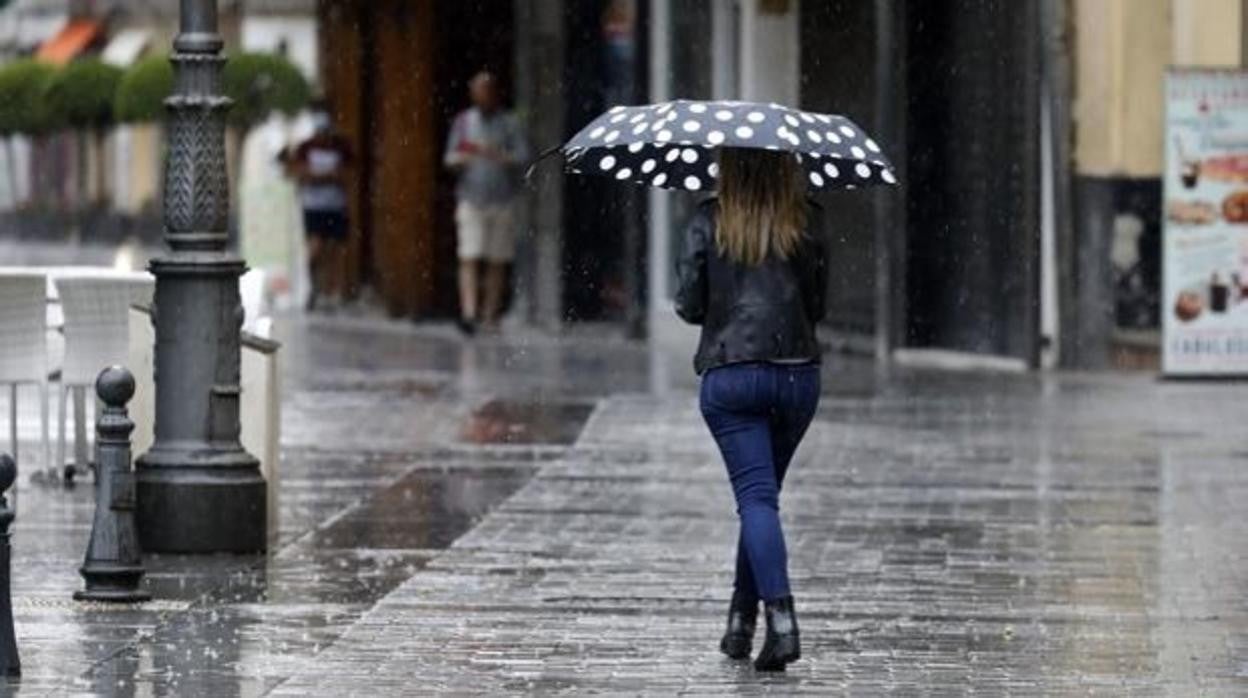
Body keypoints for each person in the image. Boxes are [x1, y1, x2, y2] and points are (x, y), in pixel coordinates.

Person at [674, 147, 827, 672]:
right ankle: (741, 621)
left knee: (756, 499)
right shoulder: (806, 219)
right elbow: (819, 304)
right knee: (761, 498)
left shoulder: (708, 218)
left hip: (732, 373)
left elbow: (689, 304)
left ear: (729, 168)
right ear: (786, 167)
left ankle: (782, 622)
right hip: (797, 375)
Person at [444, 71, 528, 335]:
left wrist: (500, 155)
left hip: (501, 200)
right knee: (469, 255)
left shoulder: (509, 123)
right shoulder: (463, 122)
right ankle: (469, 313)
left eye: (487, 92)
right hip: (471, 198)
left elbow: (523, 157)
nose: (482, 98)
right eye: (478, 92)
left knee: (496, 259)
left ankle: (489, 314)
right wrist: (461, 159)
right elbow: (450, 157)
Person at [284, 100, 352, 311]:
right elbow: (298, 172)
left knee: (335, 249)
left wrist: (318, 176)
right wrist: (325, 176)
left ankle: (332, 291)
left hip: (335, 205)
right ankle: (314, 286)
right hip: (313, 206)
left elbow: (346, 174)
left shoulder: (341, 146)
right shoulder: (306, 147)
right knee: (315, 248)